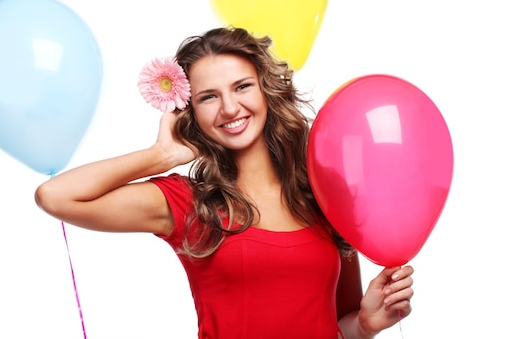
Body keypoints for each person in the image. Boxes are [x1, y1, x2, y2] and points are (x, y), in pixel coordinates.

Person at [35, 27, 414, 339]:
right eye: (209, 97)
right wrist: (161, 156)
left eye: (242, 87)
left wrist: (364, 325)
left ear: (265, 89)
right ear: (191, 111)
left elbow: (337, 329)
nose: (230, 108)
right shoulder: (188, 204)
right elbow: (56, 196)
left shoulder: (323, 195)